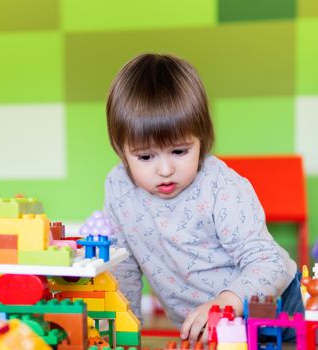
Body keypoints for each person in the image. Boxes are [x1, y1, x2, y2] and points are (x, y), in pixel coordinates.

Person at [104, 53, 303, 342]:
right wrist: (124, 335)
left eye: (179, 151)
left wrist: (225, 302)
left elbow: (268, 264)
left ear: (202, 138)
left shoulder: (220, 186)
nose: (165, 169)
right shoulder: (119, 188)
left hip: (277, 305)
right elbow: (123, 269)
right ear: (121, 150)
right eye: (145, 156)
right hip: (208, 329)